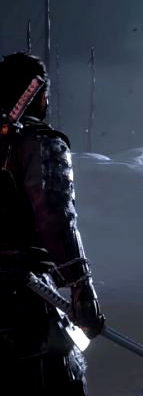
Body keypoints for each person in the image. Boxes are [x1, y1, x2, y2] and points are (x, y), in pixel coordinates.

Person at [0, 52, 104, 394]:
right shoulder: (40, 143)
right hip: (26, 304)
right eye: (45, 92)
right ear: (34, 92)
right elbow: (56, 216)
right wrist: (81, 287)